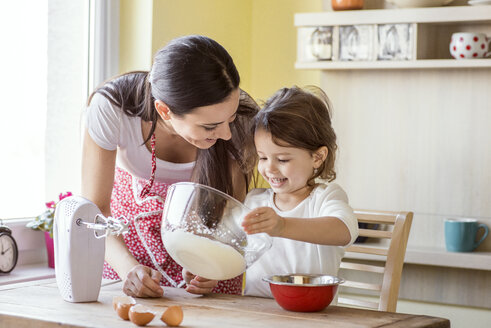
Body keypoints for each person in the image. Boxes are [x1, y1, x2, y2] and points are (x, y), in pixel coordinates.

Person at [82, 35, 259, 298]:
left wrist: (210, 268)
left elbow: (227, 221)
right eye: (209, 126)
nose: (226, 135)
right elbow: (95, 214)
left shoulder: (243, 121)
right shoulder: (112, 108)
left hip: (207, 241)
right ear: (164, 111)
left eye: (229, 119)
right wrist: (129, 269)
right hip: (126, 245)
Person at [241, 86, 359, 298]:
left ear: (317, 157)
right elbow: (231, 251)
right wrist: (208, 274)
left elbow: (345, 231)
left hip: (312, 314)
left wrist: (283, 225)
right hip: (256, 313)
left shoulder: (326, 197)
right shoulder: (254, 201)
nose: (270, 168)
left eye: (283, 159)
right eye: (263, 157)